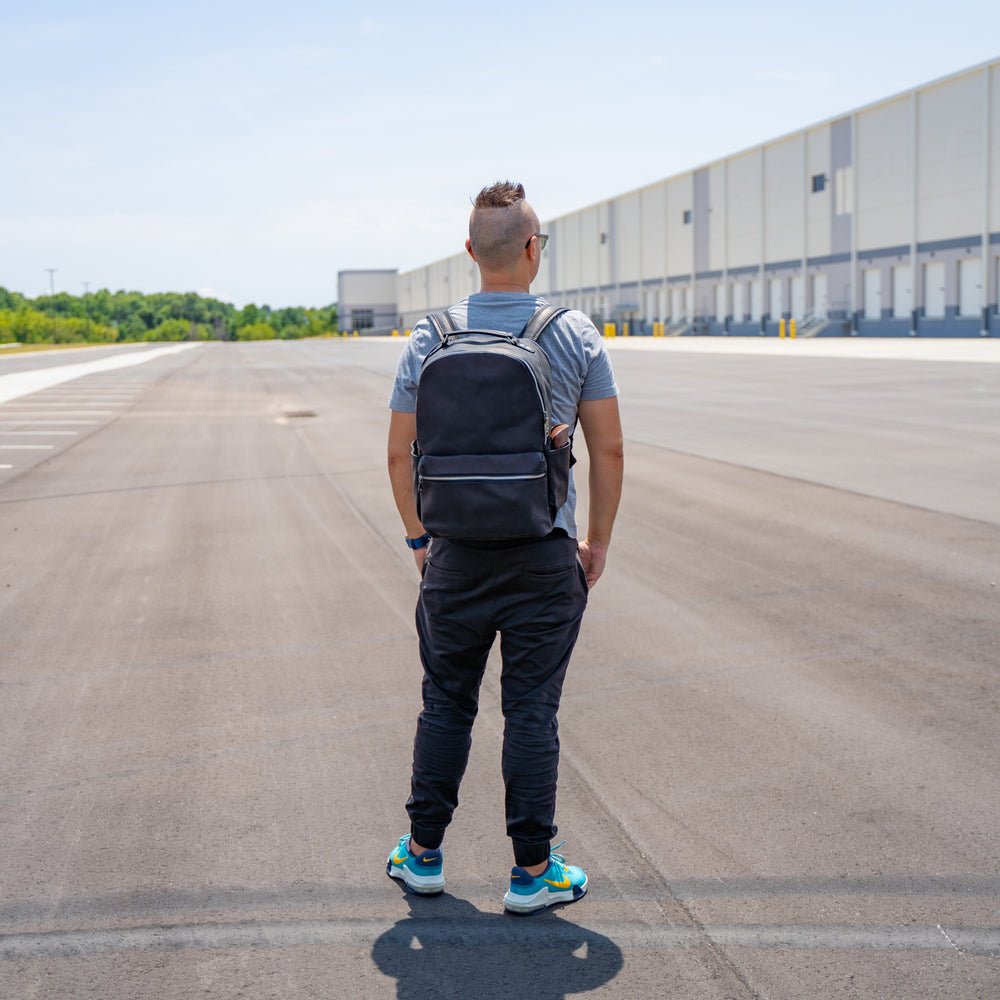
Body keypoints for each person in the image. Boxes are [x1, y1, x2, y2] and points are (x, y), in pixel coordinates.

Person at [386, 180, 623, 914]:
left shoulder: (432, 336)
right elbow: (608, 450)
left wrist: (422, 542)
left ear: (469, 252)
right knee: (531, 711)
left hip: (454, 556)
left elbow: (400, 455)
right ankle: (532, 872)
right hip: (543, 554)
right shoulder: (574, 332)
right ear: (532, 249)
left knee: (445, 704)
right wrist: (595, 545)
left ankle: (423, 855)